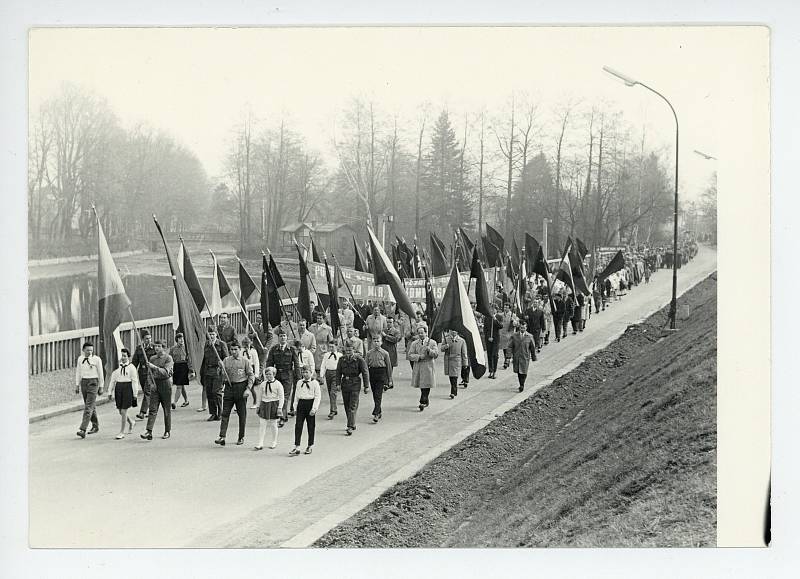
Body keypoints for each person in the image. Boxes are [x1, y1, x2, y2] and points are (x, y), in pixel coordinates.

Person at [215, 341, 254, 446]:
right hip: (229, 388)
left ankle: (241, 437)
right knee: (225, 413)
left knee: (242, 414)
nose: (233, 352)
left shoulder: (245, 361)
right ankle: (222, 436)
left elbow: (251, 376)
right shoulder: (226, 360)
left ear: (239, 349)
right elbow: (221, 375)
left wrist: (248, 389)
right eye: (231, 349)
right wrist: (220, 368)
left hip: (241, 388)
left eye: (236, 349)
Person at [140, 339, 175, 441]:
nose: (156, 348)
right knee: (152, 409)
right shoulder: (152, 358)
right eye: (155, 346)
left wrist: (154, 367)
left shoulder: (168, 358)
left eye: (159, 346)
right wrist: (151, 384)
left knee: (166, 409)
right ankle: (149, 431)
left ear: (163, 348)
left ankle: (167, 430)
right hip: (155, 385)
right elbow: (149, 373)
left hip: (165, 384)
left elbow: (165, 372)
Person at [265, 328, 300, 426]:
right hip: (277, 375)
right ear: (278, 338)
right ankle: (279, 414)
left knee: (284, 396)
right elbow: (269, 363)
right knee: (277, 396)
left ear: (287, 337)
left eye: (284, 336)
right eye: (281, 336)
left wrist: (299, 377)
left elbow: (296, 364)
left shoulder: (291, 349)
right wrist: (268, 374)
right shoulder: (274, 349)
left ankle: (282, 417)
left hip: (288, 375)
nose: (283, 338)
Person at [335, 342, 369, 435]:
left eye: (350, 350)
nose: (348, 352)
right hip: (345, 384)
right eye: (347, 350)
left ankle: (349, 426)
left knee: (352, 405)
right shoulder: (342, 359)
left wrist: (366, 386)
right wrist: (337, 384)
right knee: (346, 405)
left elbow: (365, 372)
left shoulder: (359, 360)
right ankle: (352, 422)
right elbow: (338, 372)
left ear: (354, 350)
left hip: (355, 384)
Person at [289, 366, 322, 455]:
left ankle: (310, 445)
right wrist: (295, 407)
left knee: (311, 426)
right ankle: (297, 446)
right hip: (301, 404)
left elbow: (317, 396)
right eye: (303, 372)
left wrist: (314, 408)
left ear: (311, 372)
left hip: (310, 404)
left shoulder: (315, 383)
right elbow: (296, 396)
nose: (305, 374)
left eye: (307, 372)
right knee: (298, 426)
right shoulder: (299, 382)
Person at [74, 341, 105, 438]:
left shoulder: (97, 359)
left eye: (91, 350)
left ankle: (83, 429)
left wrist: (101, 386)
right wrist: (77, 385)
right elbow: (78, 372)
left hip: (93, 383)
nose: (90, 352)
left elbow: (101, 373)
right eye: (88, 350)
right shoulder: (80, 359)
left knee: (88, 406)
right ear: (83, 350)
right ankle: (95, 426)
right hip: (84, 382)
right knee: (90, 405)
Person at [107, 348, 139, 439]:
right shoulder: (117, 367)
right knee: (120, 410)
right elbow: (112, 380)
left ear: (128, 357)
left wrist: (135, 394)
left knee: (124, 410)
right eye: (121, 356)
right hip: (119, 388)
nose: (123, 358)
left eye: (125, 356)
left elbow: (135, 381)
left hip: (127, 388)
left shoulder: (131, 367)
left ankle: (121, 432)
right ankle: (131, 422)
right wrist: (110, 392)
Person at [407, 325, 439, 411]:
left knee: (427, 384)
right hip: (419, 366)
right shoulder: (414, 343)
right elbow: (410, 355)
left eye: (422, 332)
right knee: (422, 384)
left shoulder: (432, 342)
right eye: (419, 333)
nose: (420, 334)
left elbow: (436, 355)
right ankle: (425, 399)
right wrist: (419, 356)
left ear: (426, 333)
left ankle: (423, 401)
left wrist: (429, 350)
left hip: (428, 366)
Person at [200, 327, 229, 421]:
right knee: (209, 393)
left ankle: (220, 413)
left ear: (216, 334)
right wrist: (202, 373)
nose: (211, 336)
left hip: (218, 371)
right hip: (208, 371)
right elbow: (204, 360)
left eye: (213, 334)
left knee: (216, 392)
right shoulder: (206, 345)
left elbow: (226, 359)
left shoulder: (221, 344)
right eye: (209, 334)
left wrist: (223, 366)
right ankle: (213, 413)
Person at [254, 366, 284, 451]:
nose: (268, 376)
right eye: (266, 374)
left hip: (274, 404)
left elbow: (281, 397)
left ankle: (274, 441)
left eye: (270, 374)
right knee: (262, 424)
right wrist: (258, 406)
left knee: (273, 424)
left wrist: (280, 407)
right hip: (264, 404)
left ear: (274, 374)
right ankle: (260, 443)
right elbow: (259, 396)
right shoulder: (263, 384)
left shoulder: (278, 384)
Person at [365, 335, 392, 422]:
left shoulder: (385, 353)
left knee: (378, 393)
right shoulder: (369, 353)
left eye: (378, 341)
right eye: (374, 341)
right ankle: (379, 411)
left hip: (381, 373)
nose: (376, 343)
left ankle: (376, 413)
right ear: (372, 343)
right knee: (374, 394)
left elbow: (388, 367)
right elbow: (366, 367)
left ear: (381, 342)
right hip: (372, 372)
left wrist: (390, 379)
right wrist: (366, 379)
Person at [131, 330, 155, 420]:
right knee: (147, 392)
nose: (148, 340)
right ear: (142, 339)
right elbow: (134, 362)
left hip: (151, 373)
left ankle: (142, 412)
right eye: (146, 338)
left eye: (150, 338)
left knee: (147, 391)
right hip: (142, 373)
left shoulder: (154, 348)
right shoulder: (139, 349)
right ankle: (152, 409)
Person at [509, 320, 537, 392]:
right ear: (519, 328)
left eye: (524, 328)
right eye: (521, 328)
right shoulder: (514, 336)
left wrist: (534, 357)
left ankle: (522, 385)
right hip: (517, 356)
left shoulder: (530, 336)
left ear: (526, 328)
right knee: (519, 371)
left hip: (525, 356)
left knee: (524, 371)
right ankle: (521, 383)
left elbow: (532, 348)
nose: (522, 329)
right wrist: (508, 356)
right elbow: (510, 346)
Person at [441, 330, 468, 399]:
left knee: (454, 376)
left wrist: (465, 363)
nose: (453, 332)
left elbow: (464, 353)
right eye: (451, 330)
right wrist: (445, 347)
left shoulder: (462, 341)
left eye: (455, 330)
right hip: (448, 360)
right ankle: (454, 390)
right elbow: (441, 349)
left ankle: (453, 391)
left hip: (457, 360)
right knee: (451, 376)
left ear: (457, 332)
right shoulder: (446, 339)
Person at [319, 340, 342, 419]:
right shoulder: (326, 355)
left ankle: (332, 411)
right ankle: (334, 408)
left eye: (332, 347)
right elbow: (323, 365)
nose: (331, 348)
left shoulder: (340, 355)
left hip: (336, 374)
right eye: (330, 347)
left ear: (336, 346)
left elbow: (341, 367)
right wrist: (321, 376)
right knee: (330, 392)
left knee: (333, 392)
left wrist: (341, 377)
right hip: (328, 374)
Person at [169, 332, 192, 409]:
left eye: (182, 338)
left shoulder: (187, 348)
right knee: (181, 385)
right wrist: (170, 368)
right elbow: (170, 359)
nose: (181, 340)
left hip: (184, 366)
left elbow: (190, 360)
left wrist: (192, 371)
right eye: (179, 338)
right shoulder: (173, 349)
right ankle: (186, 400)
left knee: (179, 385)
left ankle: (174, 402)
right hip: (176, 366)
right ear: (177, 340)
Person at [309, 311, 334, 378]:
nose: (319, 320)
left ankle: (321, 379)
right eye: (317, 318)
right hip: (314, 348)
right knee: (313, 365)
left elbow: (331, 341)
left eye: (320, 318)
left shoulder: (328, 328)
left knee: (322, 366)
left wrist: (330, 351)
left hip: (323, 349)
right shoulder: (312, 327)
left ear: (324, 319)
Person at [240, 336, 261, 409]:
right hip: (243, 369)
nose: (246, 346)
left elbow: (256, 362)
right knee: (242, 387)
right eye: (244, 344)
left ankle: (255, 402)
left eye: (247, 344)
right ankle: (242, 404)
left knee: (251, 387)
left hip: (251, 369)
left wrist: (256, 374)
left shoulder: (253, 351)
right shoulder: (241, 351)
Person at [484, 304, 503, 379]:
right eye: (491, 309)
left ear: (496, 310)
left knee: (494, 354)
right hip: (489, 339)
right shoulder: (487, 317)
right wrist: (488, 337)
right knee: (489, 354)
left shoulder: (499, 317)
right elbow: (485, 329)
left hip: (496, 339)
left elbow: (501, 326)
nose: (492, 310)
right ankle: (490, 371)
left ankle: (494, 371)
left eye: (493, 309)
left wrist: (495, 319)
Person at [498, 302, 516, 369]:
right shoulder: (501, 315)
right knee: (504, 349)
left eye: (507, 307)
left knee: (508, 348)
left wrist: (513, 321)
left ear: (509, 308)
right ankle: (507, 359)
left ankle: (506, 362)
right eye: (504, 307)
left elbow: (517, 323)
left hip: (509, 334)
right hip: (502, 334)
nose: (505, 308)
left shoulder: (513, 315)